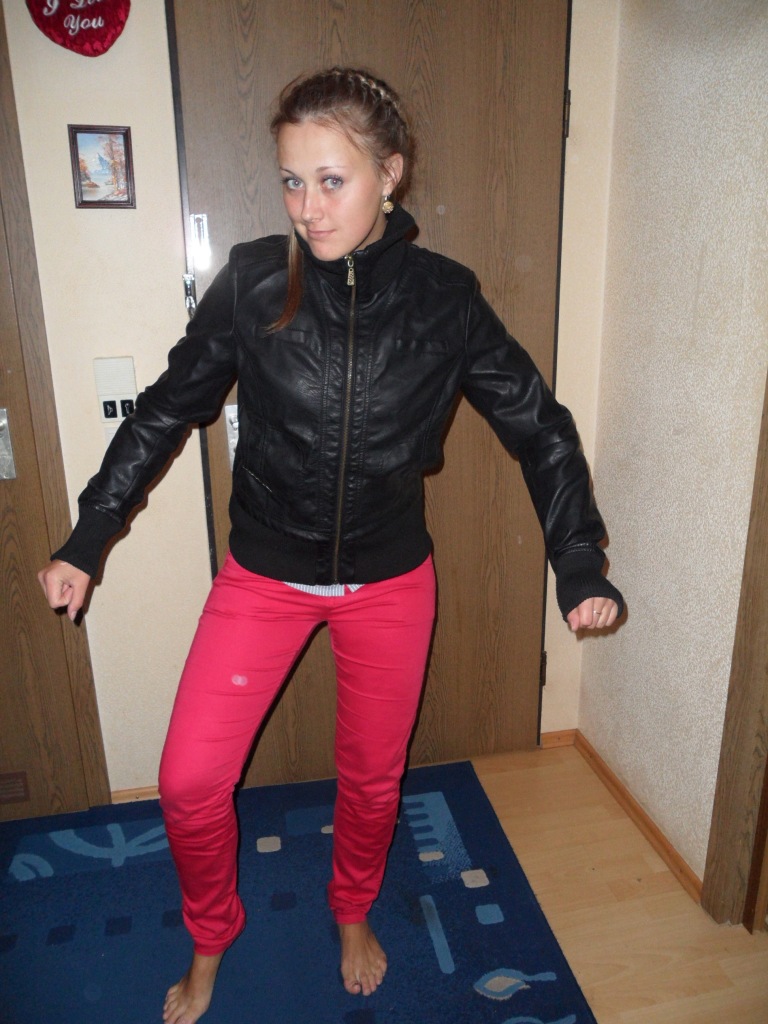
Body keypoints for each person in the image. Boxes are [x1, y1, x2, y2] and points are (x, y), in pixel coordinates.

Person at [38, 67, 623, 1024]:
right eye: (291, 181)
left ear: (389, 175)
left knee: (372, 778)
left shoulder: (445, 298)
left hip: (391, 582)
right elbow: (164, 411)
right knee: (188, 780)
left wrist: (578, 558)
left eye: (332, 180)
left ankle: (352, 910)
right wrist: (88, 535)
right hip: (264, 576)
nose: (307, 208)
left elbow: (540, 427)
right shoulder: (253, 281)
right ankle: (211, 935)